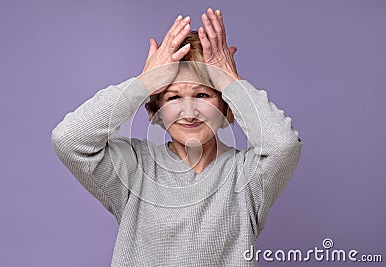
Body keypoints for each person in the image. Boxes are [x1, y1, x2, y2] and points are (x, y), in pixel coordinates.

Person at [52, 7, 302, 266]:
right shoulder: (135, 169)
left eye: (203, 95)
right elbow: (69, 139)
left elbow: (283, 144)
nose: (189, 112)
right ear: (156, 110)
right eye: (173, 97)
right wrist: (145, 82)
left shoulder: (247, 177)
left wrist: (230, 82)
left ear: (226, 104)